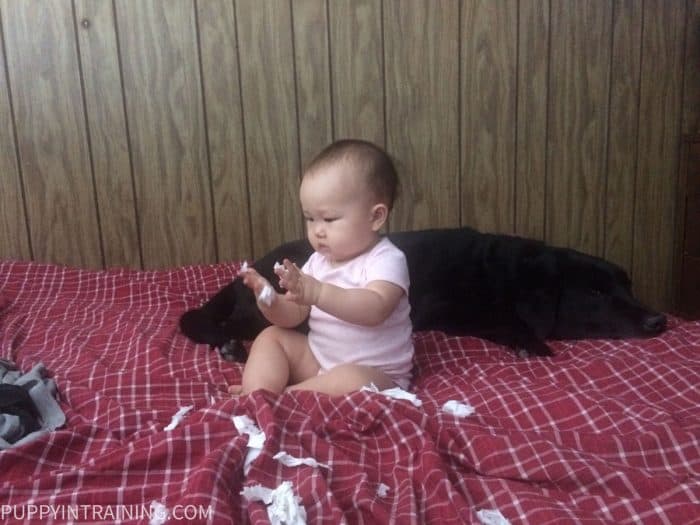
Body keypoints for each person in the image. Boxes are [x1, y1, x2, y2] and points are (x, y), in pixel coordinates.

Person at [228, 139, 414, 396]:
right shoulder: (318, 262)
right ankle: (257, 393)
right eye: (310, 218)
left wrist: (318, 293)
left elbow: (375, 309)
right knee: (272, 337)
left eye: (329, 218)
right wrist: (270, 302)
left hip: (376, 373)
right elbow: (295, 313)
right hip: (319, 360)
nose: (317, 230)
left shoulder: (387, 259)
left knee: (351, 379)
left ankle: (284, 397)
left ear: (376, 217)